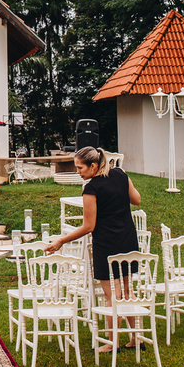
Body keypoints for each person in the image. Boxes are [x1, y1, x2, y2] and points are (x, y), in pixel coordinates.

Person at [44, 146, 143, 352]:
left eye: (80, 168)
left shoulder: (91, 188)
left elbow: (89, 226)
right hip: (127, 240)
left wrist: (61, 241)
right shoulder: (120, 174)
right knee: (127, 291)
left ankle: (112, 343)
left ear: (93, 166)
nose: (78, 172)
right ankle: (136, 339)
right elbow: (136, 200)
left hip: (107, 244)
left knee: (112, 296)